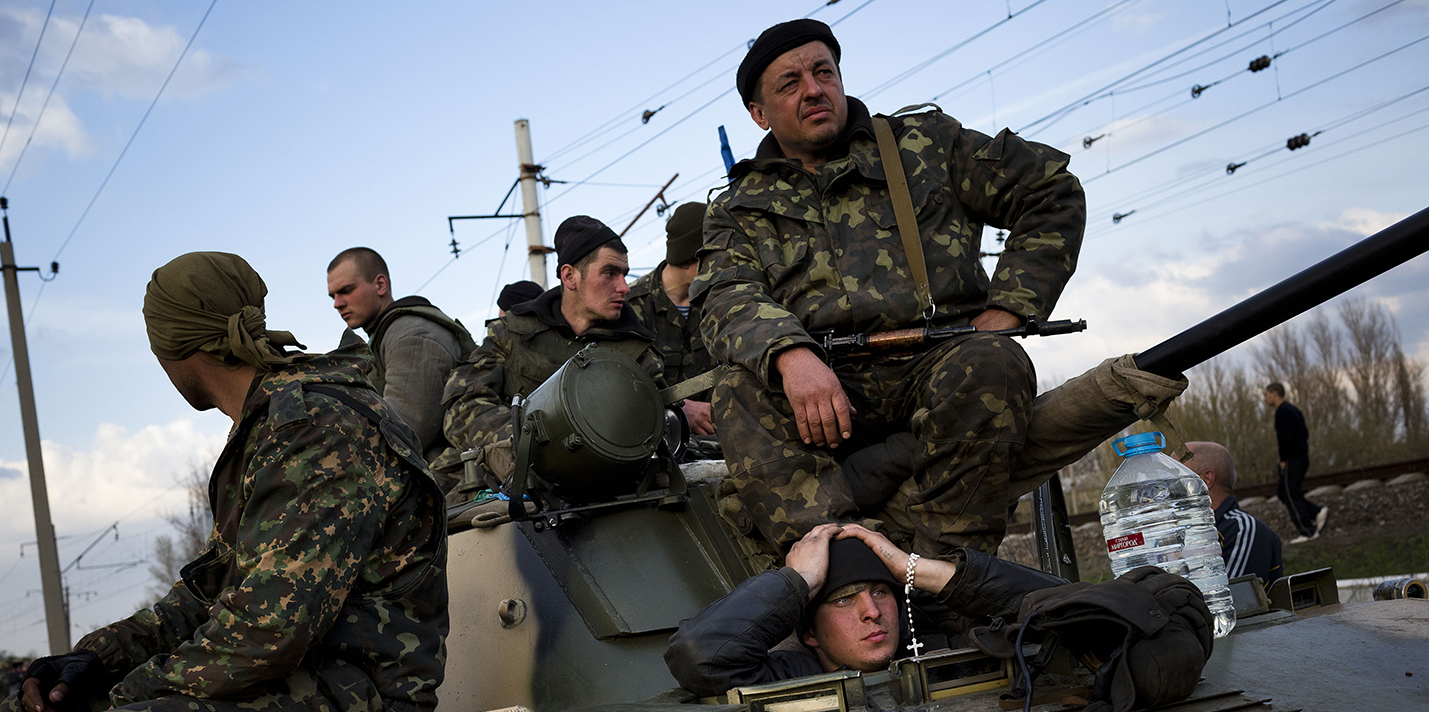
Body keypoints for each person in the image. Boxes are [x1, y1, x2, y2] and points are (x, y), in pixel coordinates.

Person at [0, 252, 449, 712]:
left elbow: (265, 634)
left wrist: (126, 690)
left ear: (171, 348)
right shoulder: (268, 429)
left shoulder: (317, 426)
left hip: (356, 703)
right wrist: (91, 658)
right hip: (293, 685)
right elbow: (206, 595)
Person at [693, 18, 1085, 559]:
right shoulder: (736, 207)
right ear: (759, 114)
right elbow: (724, 295)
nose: (813, 89)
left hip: (938, 362)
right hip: (822, 385)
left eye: (823, 72)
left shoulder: (923, 146)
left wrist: (1011, 308)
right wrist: (790, 355)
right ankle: (841, 574)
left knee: (992, 363)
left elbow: (1050, 190)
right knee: (740, 391)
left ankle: (951, 575)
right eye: (789, 83)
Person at [666, 522, 1062, 696]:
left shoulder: (946, 652)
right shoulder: (785, 681)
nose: (872, 612)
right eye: (843, 599)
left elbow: (1074, 612)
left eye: (881, 592)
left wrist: (915, 569)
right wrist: (797, 582)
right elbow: (699, 655)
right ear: (808, 633)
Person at [439, 216, 666, 485]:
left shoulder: (638, 353)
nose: (624, 287)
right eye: (609, 273)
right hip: (513, 485)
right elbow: (462, 406)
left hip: (605, 488)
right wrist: (528, 445)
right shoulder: (511, 334)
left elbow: (654, 430)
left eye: (624, 274)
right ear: (570, 276)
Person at [327, 247, 477, 477]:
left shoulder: (411, 335)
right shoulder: (386, 335)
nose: (337, 303)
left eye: (346, 291)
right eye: (333, 296)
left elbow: (405, 433)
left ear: (380, 285)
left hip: (452, 477)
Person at [626, 202, 716, 436]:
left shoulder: (717, 300)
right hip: (656, 440)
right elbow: (623, 387)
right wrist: (680, 408)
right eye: (712, 254)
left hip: (718, 438)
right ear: (688, 259)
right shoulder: (630, 307)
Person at [1184, 441, 1283, 585]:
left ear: (1205, 480)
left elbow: (1226, 598)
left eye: (1174, 478)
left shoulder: (1241, 529)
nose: (1165, 489)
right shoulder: (1188, 531)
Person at [1264, 382, 1327, 543]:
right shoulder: (1293, 410)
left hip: (1292, 459)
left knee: (1290, 493)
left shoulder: (1282, 412)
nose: (1265, 398)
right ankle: (1316, 512)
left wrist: (1284, 459)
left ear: (1275, 394)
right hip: (1301, 456)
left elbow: (1285, 438)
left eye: (1267, 394)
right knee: (1283, 492)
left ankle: (1307, 531)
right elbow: (1304, 433)